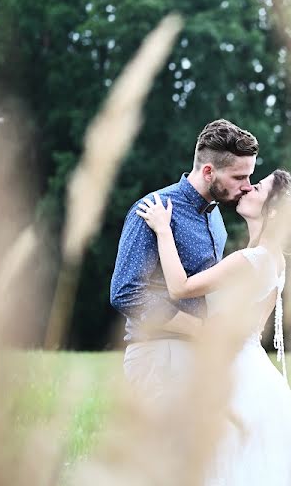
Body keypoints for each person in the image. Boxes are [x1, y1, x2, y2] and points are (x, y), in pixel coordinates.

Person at [137, 168, 291, 485]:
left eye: (257, 187)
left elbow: (180, 287)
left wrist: (163, 230)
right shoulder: (275, 261)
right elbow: (254, 328)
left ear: (272, 210)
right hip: (259, 377)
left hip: (237, 378)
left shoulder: (251, 260)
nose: (248, 189)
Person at [110, 119, 258, 401]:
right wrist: (197, 328)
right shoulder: (154, 209)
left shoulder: (216, 218)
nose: (247, 187)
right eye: (239, 177)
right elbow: (125, 292)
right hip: (158, 355)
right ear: (208, 171)